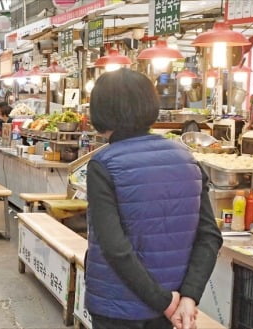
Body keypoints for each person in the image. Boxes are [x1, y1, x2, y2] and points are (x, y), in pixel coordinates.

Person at [85, 69, 223, 329]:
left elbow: (115, 248)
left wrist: (165, 303)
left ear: (101, 112)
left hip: (119, 308)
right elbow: (210, 236)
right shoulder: (187, 158)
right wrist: (189, 297)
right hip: (174, 306)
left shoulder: (103, 164)